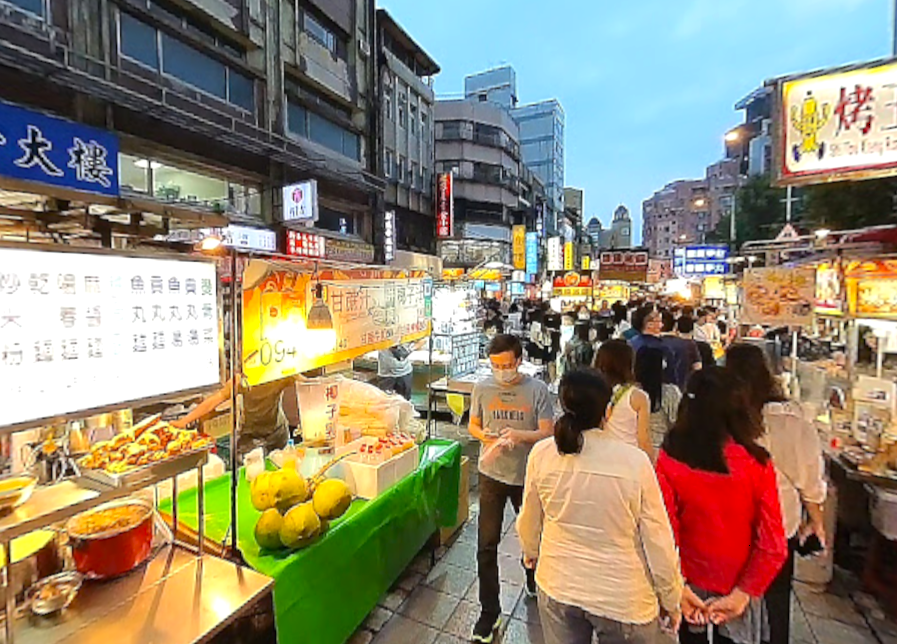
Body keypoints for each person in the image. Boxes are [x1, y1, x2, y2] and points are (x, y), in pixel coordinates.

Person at [517, 369, 683, 644]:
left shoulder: (543, 454)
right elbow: (657, 538)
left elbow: (530, 517)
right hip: (623, 599)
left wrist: (531, 550)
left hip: (557, 583)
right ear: (607, 411)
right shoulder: (634, 462)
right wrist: (670, 596)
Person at [656, 367, 788, 644]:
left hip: (684, 590)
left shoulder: (670, 459)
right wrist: (743, 594)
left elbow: (663, 535)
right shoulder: (757, 464)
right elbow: (773, 545)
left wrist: (677, 586)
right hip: (737, 591)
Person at [725, 344, 827, 644]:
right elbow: (809, 480)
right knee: (772, 603)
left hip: (724, 526)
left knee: (726, 601)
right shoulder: (789, 421)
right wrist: (816, 520)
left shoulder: (715, 415)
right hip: (775, 530)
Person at [469, 334, 554, 642]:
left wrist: (518, 436)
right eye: (495, 365)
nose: (501, 371)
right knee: (486, 545)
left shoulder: (537, 390)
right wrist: (490, 440)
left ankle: (533, 578)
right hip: (491, 473)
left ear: (519, 361)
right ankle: (489, 613)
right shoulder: (482, 387)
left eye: (507, 365)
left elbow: (547, 432)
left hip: (527, 475)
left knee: (532, 537)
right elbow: (473, 425)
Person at [172, 374, 301, 459]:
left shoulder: (280, 373)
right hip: (250, 437)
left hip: (279, 434)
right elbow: (216, 399)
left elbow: (307, 385)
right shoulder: (242, 380)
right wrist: (183, 421)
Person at [593, 340, 652, 455]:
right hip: (629, 457)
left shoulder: (592, 391)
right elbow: (643, 440)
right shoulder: (638, 396)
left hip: (599, 455)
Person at [635, 347, 681, 455]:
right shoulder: (671, 392)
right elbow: (676, 422)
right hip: (660, 451)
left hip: (633, 448)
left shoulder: (630, 392)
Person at [660, 311, 702, 390]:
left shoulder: (659, 341)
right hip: (681, 386)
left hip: (660, 386)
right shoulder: (690, 344)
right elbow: (697, 367)